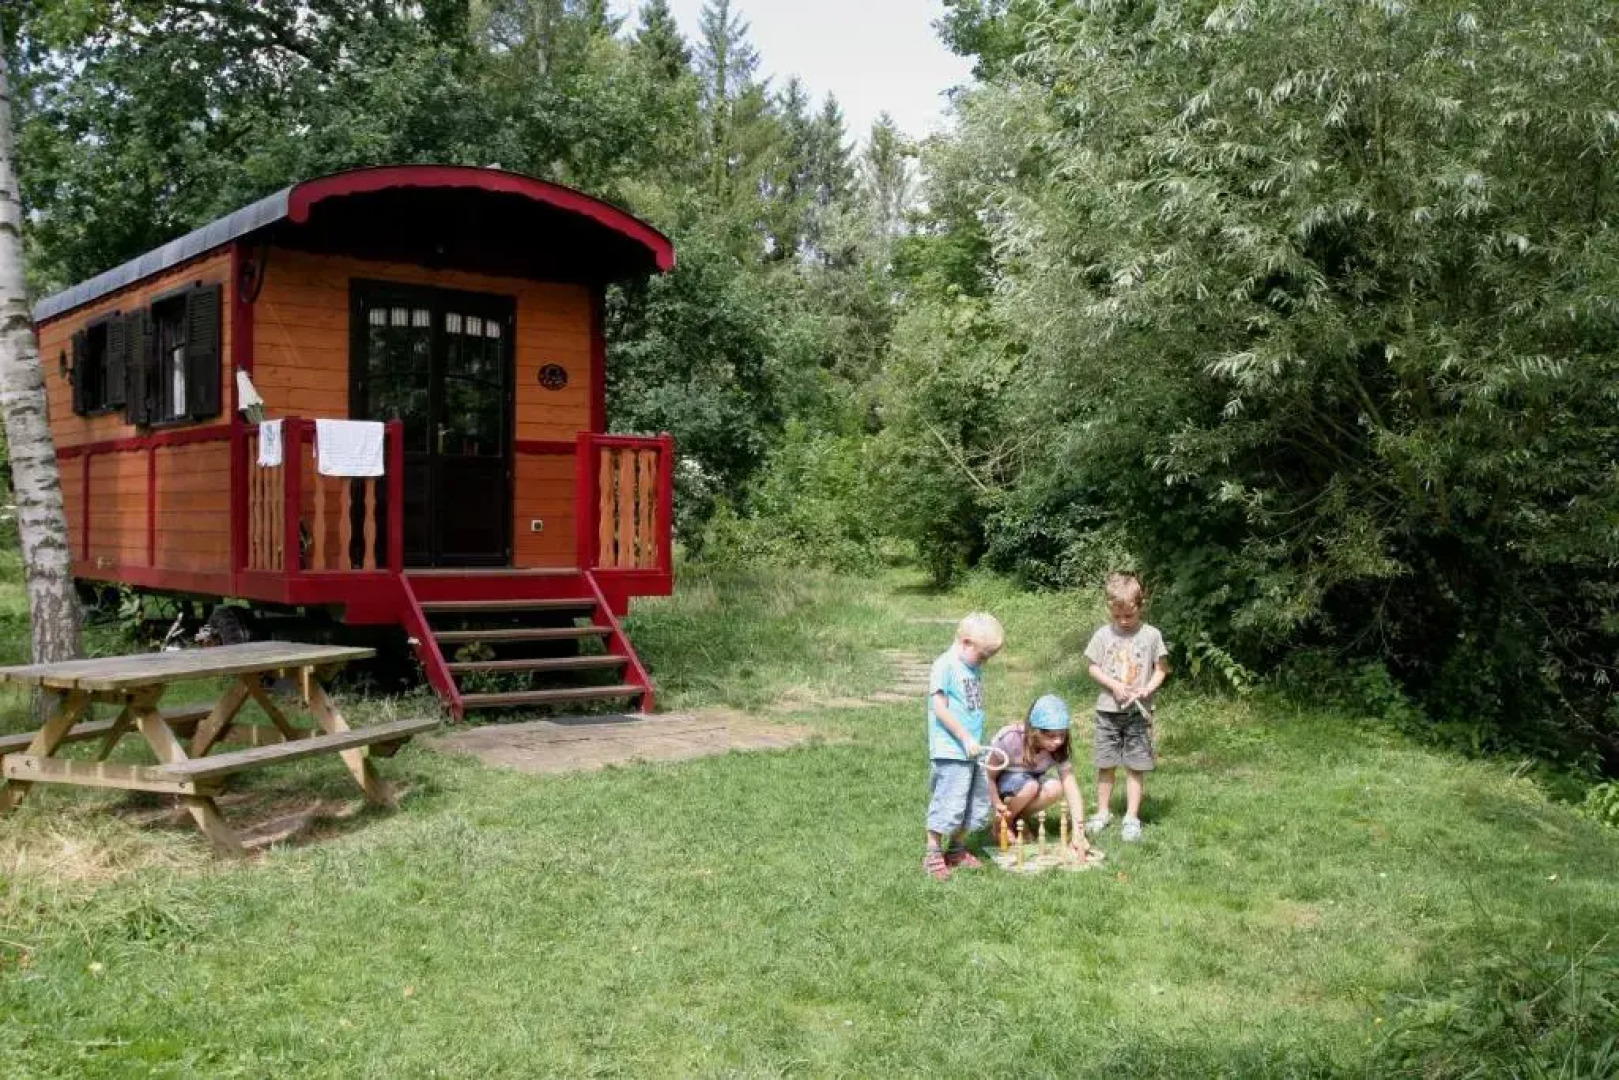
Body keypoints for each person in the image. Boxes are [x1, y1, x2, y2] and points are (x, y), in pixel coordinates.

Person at [1083, 573, 1169, 842]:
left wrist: (1148, 688)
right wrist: (1114, 685)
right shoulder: (1102, 634)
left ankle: (1132, 817)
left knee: (1135, 765)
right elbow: (1092, 667)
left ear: (1139, 606)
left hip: (1137, 713)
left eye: (1128, 616)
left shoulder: (1152, 635)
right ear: (1110, 609)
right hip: (1108, 711)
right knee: (1106, 763)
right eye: (1117, 616)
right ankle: (1103, 812)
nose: (1122, 621)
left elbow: (1161, 669)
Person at [924, 612, 1004, 880]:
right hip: (951, 750)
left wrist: (974, 741)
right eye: (983, 656)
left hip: (972, 751)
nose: (985, 662)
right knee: (950, 801)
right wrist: (963, 736)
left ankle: (957, 850)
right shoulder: (944, 665)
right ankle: (933, 853)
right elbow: (939, 707)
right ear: (966, 642)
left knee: (974, 802)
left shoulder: (971, 667)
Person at [987, 694, 1095, 861]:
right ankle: (1002, 823)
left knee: (1056, 787)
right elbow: (989, 776)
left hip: (1029, 783)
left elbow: (1071, 788)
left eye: (1062, 735)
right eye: (1051, 736)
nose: (1058, 741)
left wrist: (1079, 831)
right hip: (1004, 787)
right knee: (1031, 786)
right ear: (1034, 731)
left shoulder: (1058, 749)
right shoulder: (1010, 737)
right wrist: (997, 806)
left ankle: (1018, 819)